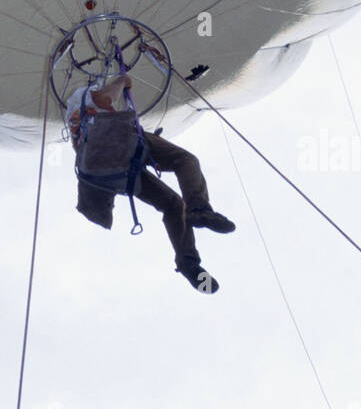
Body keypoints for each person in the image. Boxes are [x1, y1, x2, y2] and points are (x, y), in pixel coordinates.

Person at [64, 74, 236, 293]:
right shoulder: (83, 97)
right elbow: (103, 98)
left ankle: (188, 263)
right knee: (185, 161)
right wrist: (122, 81)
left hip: (112, 167)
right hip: (122, 142)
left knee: (172, 205)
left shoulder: (76, 122)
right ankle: (199, 208)